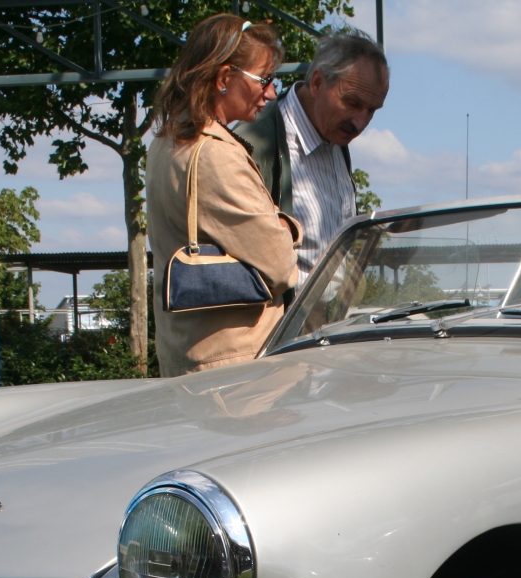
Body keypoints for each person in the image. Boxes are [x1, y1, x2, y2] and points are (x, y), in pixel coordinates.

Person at [146, 15, 301, 377]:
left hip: (189, 353)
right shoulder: (215, 153)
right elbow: (280, 267)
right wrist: (288, 228)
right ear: (223, 78)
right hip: (237, 370)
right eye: (264, 80)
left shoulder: (166, 142)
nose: (272, 93)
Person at [233, 28, 389, 285]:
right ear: (317, 83)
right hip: (283, 323)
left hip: (330, 323)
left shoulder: (335, 135)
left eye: (372, 110)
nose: (361, 123)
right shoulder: (255, 145)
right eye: (352, 103)